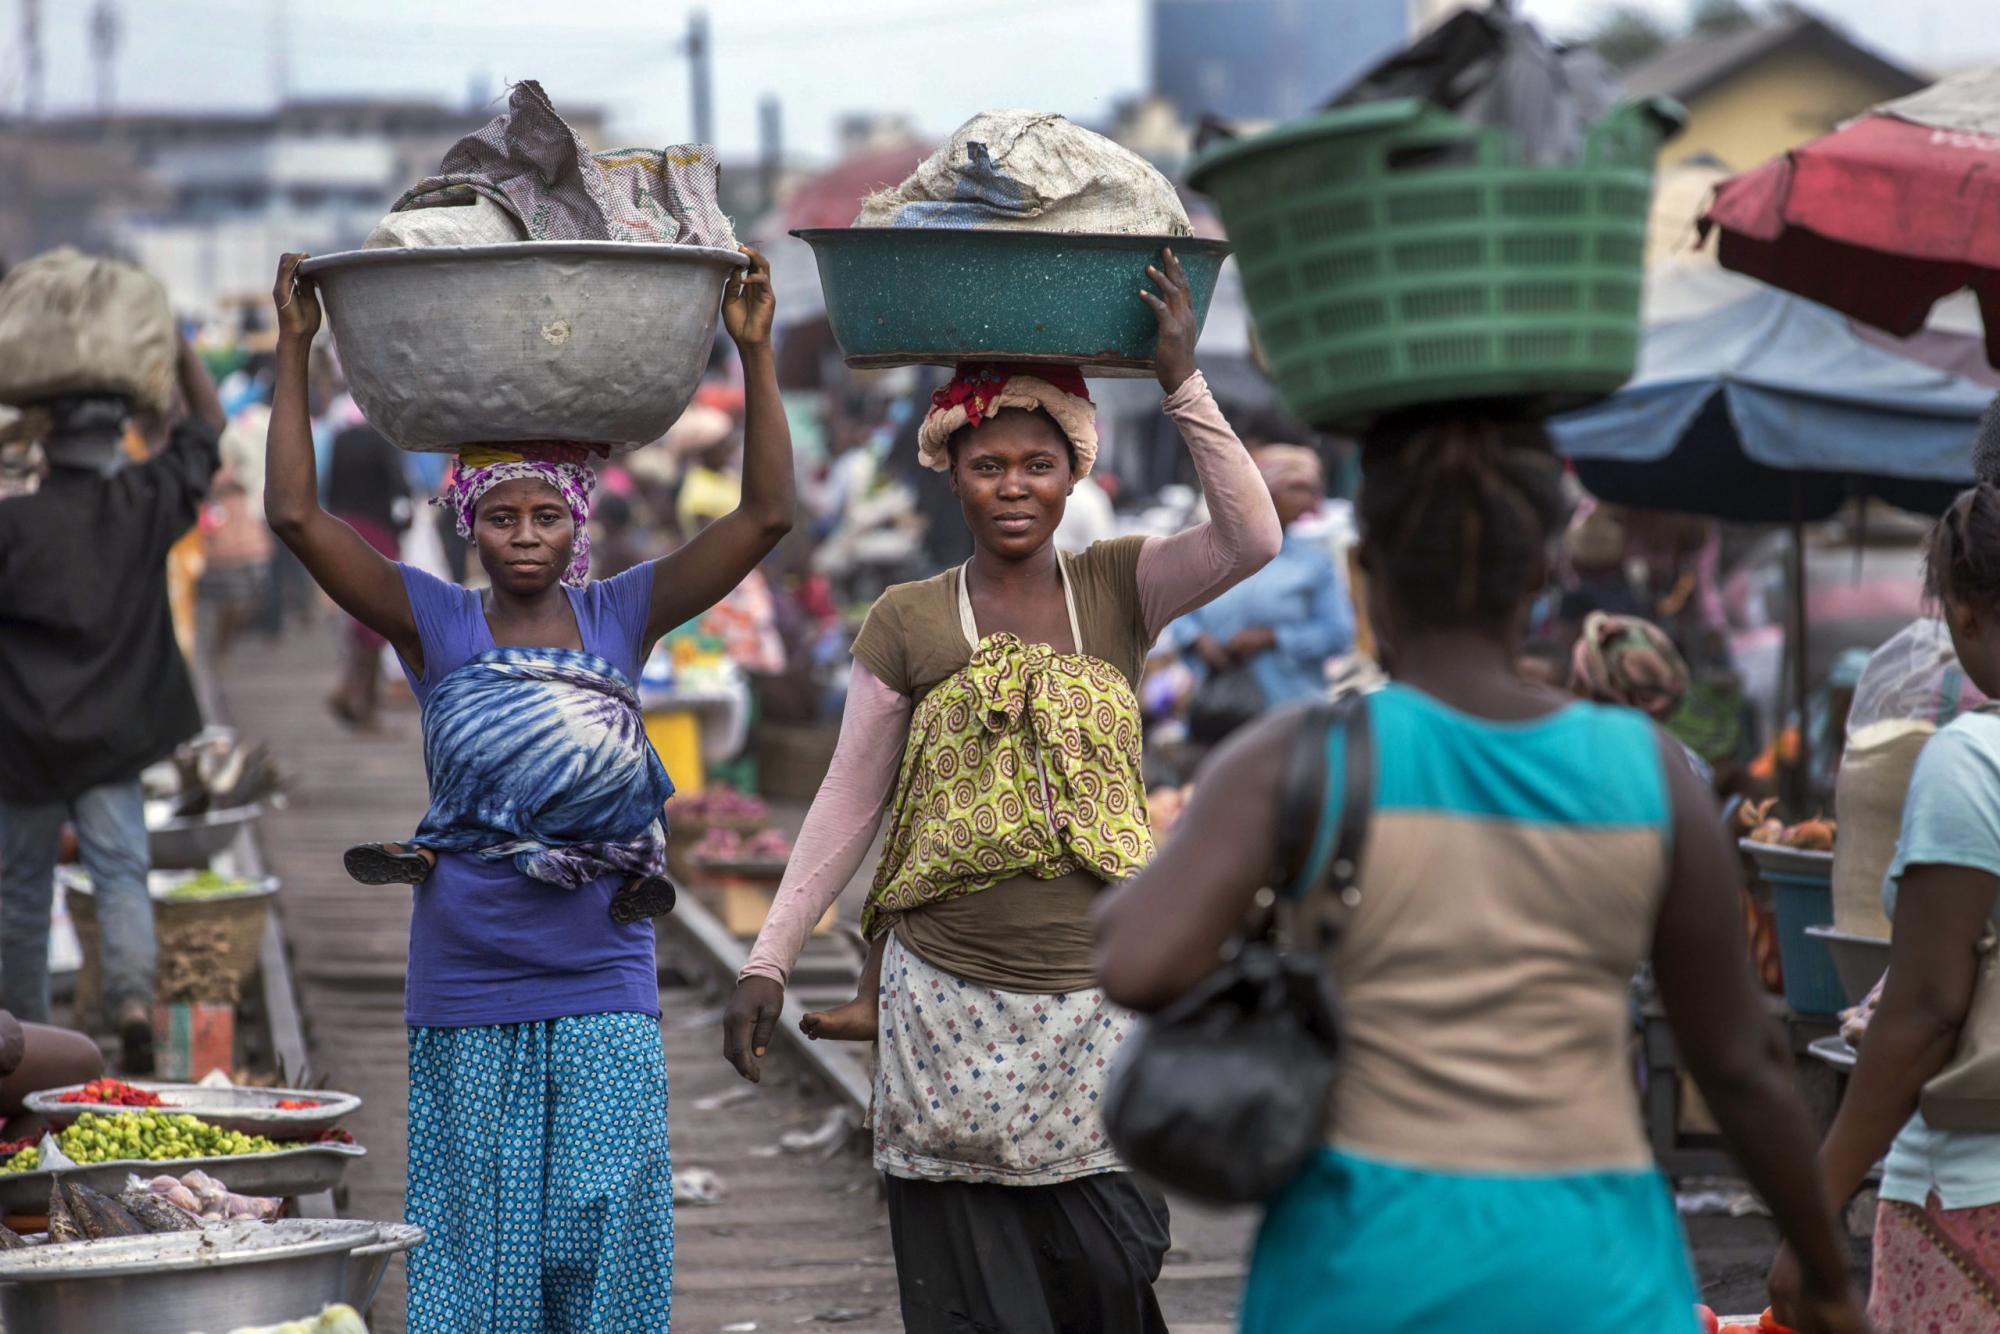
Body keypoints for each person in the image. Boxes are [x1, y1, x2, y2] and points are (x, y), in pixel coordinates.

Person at [1093, 415, 1869, 1334]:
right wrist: (1822, 1277)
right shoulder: (1646, 770)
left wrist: (1283, 940)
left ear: (1368, 572)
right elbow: (1742, 1068)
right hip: (1593, 1272)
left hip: (1360, 1273)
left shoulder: (1302, 759)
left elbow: (1135, 961)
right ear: (1541, 574)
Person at [723, 248, 1281, 1334]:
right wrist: (766, 958)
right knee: (979, 1299)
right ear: (953, 470)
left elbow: (1252, 534)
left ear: (1072, 474)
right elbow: (847, 800)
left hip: (1095, 1000)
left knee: (1112, 1268)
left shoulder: (1120, 585)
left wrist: (1180, 381)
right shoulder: (908, 619)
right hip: (944, 1000)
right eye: (989, 464)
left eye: (1036, 464)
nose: (1013, 486)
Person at [264, 245, 792, 1331]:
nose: (523, 539)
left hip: (600, 955)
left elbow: (765, 519)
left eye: (544, 518)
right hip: (465, 964)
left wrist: (754, 348)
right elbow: (295, 521)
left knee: (605, 1213)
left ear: (577, 523)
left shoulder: (621, 614)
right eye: (500, 519)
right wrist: (293, 344)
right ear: (469, 524)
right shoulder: (435, 620)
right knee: (471, 1223)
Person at [1767, 484, 2000, 1330]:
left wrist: (1810, 1220)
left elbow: (1928, 1010)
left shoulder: (1973, 759)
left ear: (1967, 615)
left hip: (1972, 1193)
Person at [0, 340, 226, 1075]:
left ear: (47, 441)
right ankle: (129, 1002)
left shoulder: (15, 524)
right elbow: (207, 426)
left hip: (24, 738)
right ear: (113, 438)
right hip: (115, 735)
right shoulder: (145, 500)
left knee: (21, 890)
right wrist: (180, 350)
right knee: (122, 869)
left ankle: (29, 1041)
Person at [1167, 442, 1353, 715]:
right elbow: (1179, 611)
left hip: (1291, 711)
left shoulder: (1314, 564)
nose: (1309, 499)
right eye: (1296, 488)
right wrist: (1198, 641)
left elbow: (1339, 633)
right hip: (1219, 709)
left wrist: (1273, 638)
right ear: (1266, 491)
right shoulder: (1218, 555)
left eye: (1313, 490)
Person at [322, 419, 411, 729]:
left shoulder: (341, 436)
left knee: (359, 614)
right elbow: (400, 491)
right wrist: (403, 526)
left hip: (346, 527)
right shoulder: (385, 441)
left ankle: (351, 690)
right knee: (379, 616)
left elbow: (328, 485)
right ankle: (362, 701)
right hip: (378, 530)